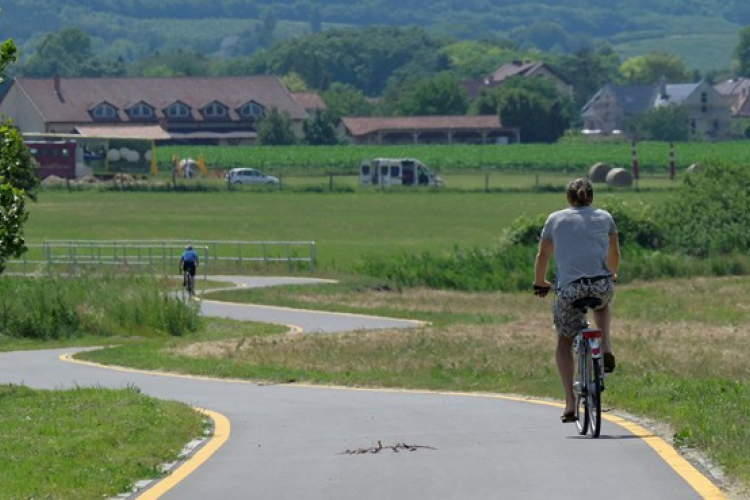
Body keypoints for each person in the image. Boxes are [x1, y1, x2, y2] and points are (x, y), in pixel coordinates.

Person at [533, 178, 620, 423]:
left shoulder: (555, 219)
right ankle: (605, 348)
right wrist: (611, 275)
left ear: (568, 198)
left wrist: (540, 282)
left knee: (564, 339)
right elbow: (615, 253)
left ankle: (570, 402)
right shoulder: (605, 217)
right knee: (602, 305)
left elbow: (543, 256)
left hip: (570, 289)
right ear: (591, 197)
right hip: (600, 284)